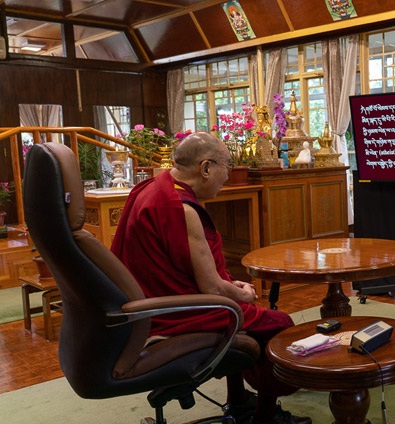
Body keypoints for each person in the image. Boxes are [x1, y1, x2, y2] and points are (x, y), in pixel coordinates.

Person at [110, 132, 311, 424]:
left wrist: (232, 282)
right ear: (205, 168)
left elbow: (197, 268)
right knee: (278, 324)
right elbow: (211, 287)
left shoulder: (149, 188)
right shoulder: (182, 208)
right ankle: (265, 417)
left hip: (147, 308)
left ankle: (239, 400)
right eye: (226, 165)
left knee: (241, 314)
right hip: (175, 313)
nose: (228, 175)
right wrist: (242, 293)